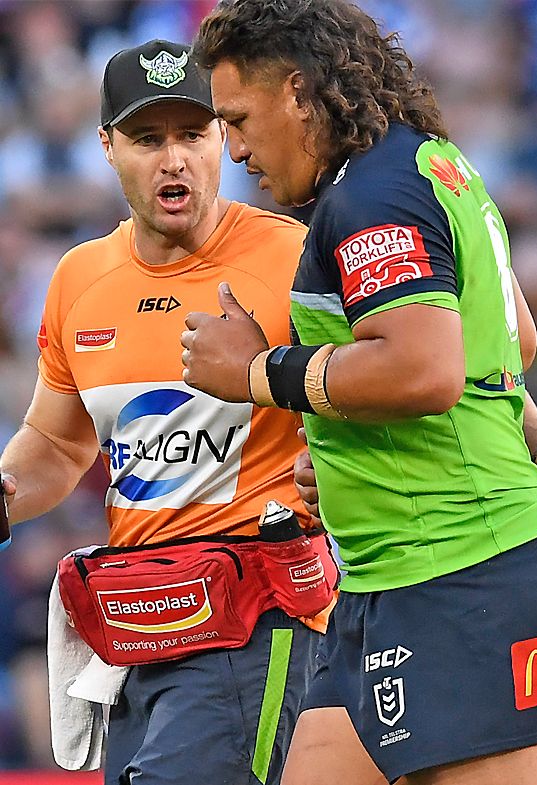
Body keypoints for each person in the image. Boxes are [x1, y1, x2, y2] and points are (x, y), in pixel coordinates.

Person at [181, 2, 537, 783]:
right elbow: (510, 342)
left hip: (471, 574)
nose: (233, 150)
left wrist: (254, 373)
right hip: (391, 582)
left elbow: (425, 371)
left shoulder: (372, 197)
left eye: (238, 118)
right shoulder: (434, 164)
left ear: (300, 93)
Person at [0, 39, 321, 785]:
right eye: (148, 139)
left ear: (223, 138)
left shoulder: (294, 258)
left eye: (193, 133)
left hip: (257, 618)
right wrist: (8, 488)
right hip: (137, 625)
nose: (174, 158)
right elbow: (55, 439)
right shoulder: (80, 278)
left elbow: (380, 383)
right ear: (106, 146)